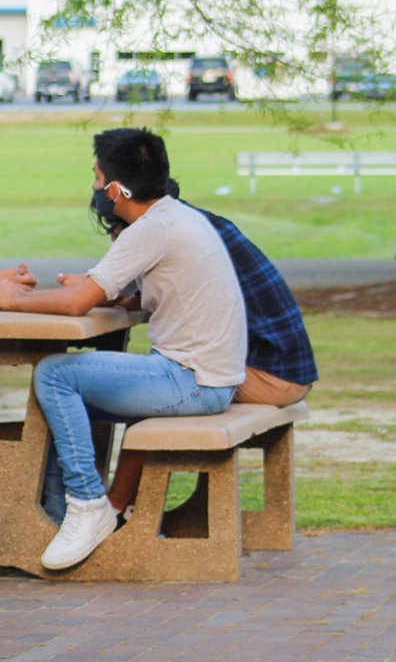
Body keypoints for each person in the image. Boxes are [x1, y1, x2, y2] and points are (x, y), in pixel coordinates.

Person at [0, 128, 247, 570]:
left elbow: (75, 304)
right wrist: (94, 289)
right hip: (207, 378)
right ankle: (54, 515)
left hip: (192, 381)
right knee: (62, 404)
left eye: (96, 177)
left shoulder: (151, 228)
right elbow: (125, 294)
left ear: (116, 190)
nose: (93, 187)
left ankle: (89, 506)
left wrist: (12, 299)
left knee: (54, 375)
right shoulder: (175, 217)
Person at [96, 177, 317, 515]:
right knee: (149, 381)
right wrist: (130, 298)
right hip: (282, 366)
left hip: (271, 374)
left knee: (147, 391)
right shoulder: (197, 227)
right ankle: (126, 508)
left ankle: (114, 510)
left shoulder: (173, 233)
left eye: (116, 231)